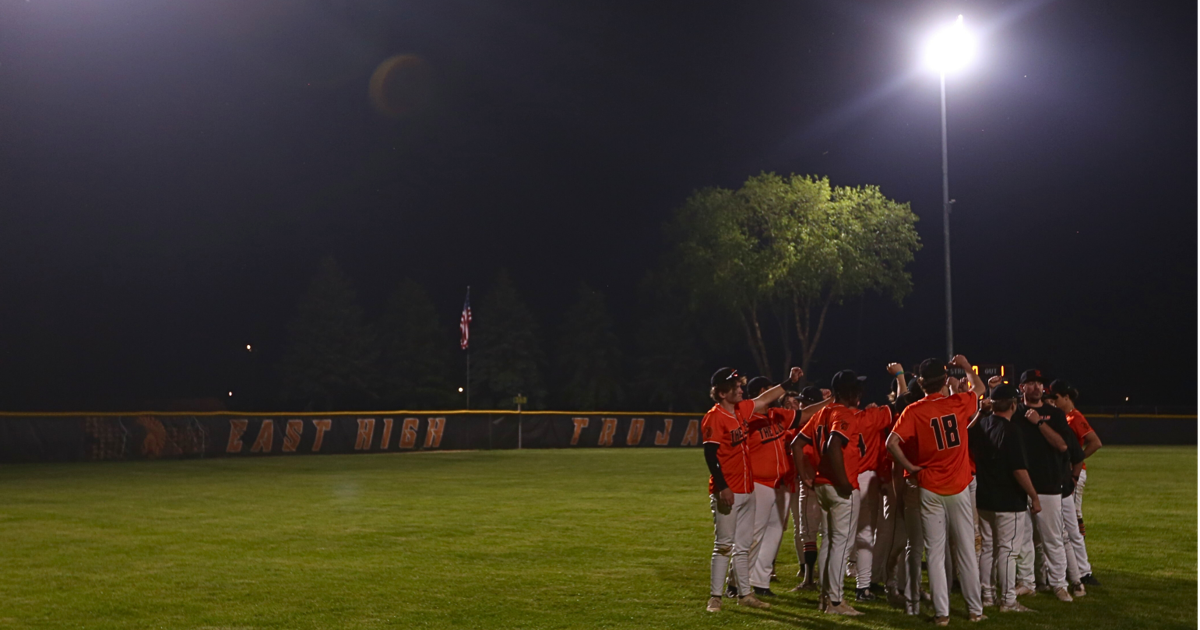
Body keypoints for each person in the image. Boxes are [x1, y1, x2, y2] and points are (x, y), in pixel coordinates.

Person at [887, 355, 987, 626]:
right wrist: (967, 367)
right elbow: (979, 389)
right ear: (944, 380)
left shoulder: (914, 410)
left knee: (934, 552)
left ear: (920, 382)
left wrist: (911, 466)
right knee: (966, 550)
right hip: (959, 487)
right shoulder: (957, 401)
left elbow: (891, 443)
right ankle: (975, 610)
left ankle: (942, 614)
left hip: (929, 486)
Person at [702, 366, 801, 613]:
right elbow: (710, 455)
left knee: (744, 545)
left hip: (747, 488)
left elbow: (764, 398)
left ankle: (745, 594)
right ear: (722, 393)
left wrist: (788, 381)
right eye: (735, 387)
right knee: (724, 545)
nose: (740, 389)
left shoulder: (740, 410)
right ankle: (715, 597)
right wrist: (722, 486)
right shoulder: (714, 417)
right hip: (728, 490)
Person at [793, 368, 891, 616]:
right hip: (839, 487)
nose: (860, 392)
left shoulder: (822, 412)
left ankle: (826, 597)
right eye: (857, 388)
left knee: (829, 542)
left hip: (822, 485)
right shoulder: (842, 413)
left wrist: (804, 472)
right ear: (850, 392)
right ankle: (835, 602)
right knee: (840, 545)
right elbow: (833, 443)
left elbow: (797, 443)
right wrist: (844, 481)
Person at [742, 373, 829, 598]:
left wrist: (832, 400)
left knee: (775, 531)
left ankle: (760, 581)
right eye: (769, 390)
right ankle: (737, 584)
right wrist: (787, 383)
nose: (775, 394)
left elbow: (806, 413)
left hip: (778, 483)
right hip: (756, 482)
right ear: (761, 393)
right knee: (752, 534)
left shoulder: (777, 414)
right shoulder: (744, 414)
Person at [1012, 369, 1086, 603]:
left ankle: (1059, 584)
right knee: (1023, 539)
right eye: (1030, 383)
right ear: (1022, 387)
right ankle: (1027, 582)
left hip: (1048, 483)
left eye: (1039, 384)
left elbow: (1063, 446)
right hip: (1019, 485)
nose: (1036, 387)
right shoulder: (1015, 412)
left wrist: (1039, 422)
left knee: (1052, 538)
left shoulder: (1053, 414)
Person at [969, 383, 1039, 613]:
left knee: (988, 548)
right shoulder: (1011, 430)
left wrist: (981, 412)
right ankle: (1008, 601)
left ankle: (987, 595)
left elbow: (967, 434)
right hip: (1008, 500)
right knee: (1007, 551)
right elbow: (1018, 469)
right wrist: (1034, 496)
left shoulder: (982, 424)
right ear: (1013, 404)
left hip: (985, 496)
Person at [851, 363, 908, 603]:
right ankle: (872, 582)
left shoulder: (830, 413)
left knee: (845, 536)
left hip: (853, 479)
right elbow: (901, 406)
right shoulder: (880, 416)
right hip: (877, 478)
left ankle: (867, 580)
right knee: (879, 532)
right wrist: (900, 376)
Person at [1048, 379, 1102, 587]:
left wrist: (1075, 462)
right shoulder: (1063, 417)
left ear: (1066, 397)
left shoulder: (1074, 417)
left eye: (1056, 398)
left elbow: (1095, 442)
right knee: (1068, 523)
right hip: (1067, 473)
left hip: (1074, 474)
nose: (1054, 401)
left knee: (1074, 521)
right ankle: (1077, 568)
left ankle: (1083, 570)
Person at [789, 386, 828, 592]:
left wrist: (804, 475)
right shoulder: (833, 419)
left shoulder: (806, 426)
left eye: (804, 402)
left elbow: (800, 452)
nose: (801, 405)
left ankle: (810, 580)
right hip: (831, 483)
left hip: (812, 483)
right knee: (830, 534)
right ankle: (825, 579)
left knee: (808, 533)